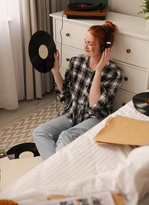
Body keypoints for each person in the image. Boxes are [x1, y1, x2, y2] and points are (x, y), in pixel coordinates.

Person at [33, 21, 123, 160]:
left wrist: (98, 71)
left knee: (65, 136)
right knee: (39, 132)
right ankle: (58, 169)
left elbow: (94, 106)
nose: (85, 46)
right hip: (73, 112)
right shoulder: (76, 62)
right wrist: (55, 70)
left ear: (104, 48)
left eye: (90, 44)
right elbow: (65, 97)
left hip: (95, 118)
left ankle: (53, 171)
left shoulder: (113, 73)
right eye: (85, 41)